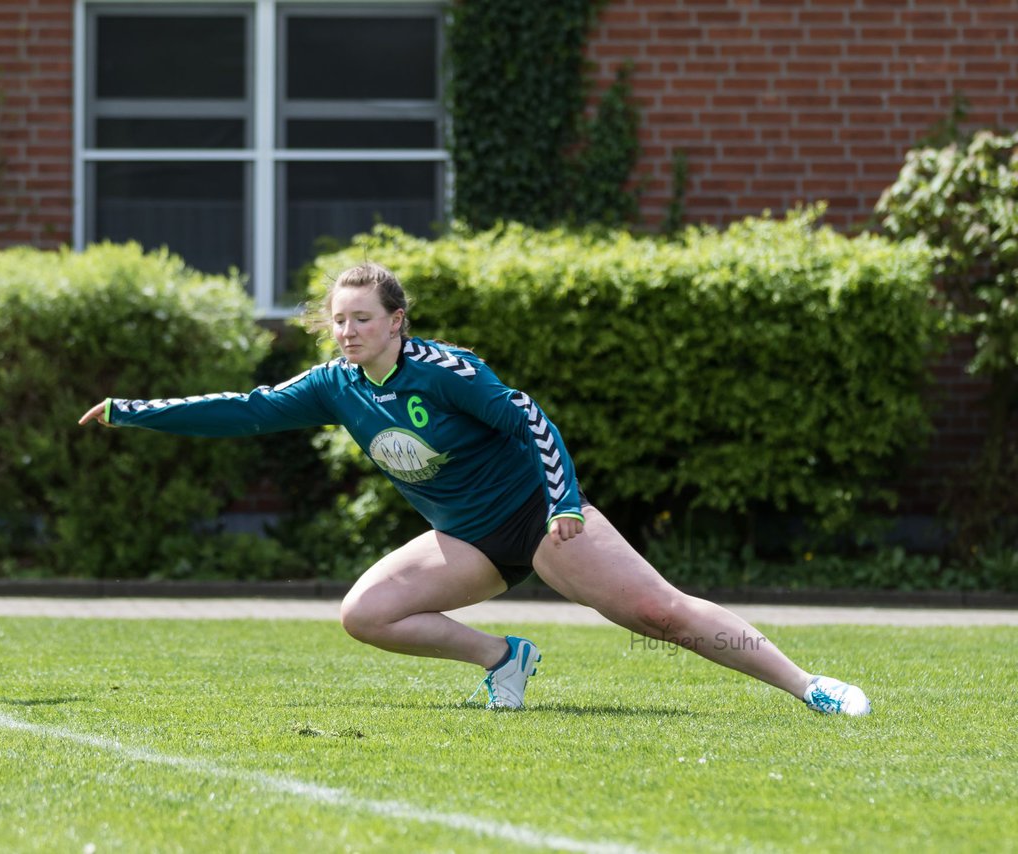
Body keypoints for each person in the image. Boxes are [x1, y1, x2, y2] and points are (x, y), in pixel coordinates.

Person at [79, 262, 871, 716]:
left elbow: (531, 419)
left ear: (397, 320)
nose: (348, 331)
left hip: (538, 518)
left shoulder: (446, 370)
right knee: (366, 615)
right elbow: (246, 412)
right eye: (338, 321)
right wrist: (133, 412)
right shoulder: (334, 384)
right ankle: (504, 660)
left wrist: (564, 503)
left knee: (658, 612)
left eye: (363, 318)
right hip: (465, 539)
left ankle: (811, 688)